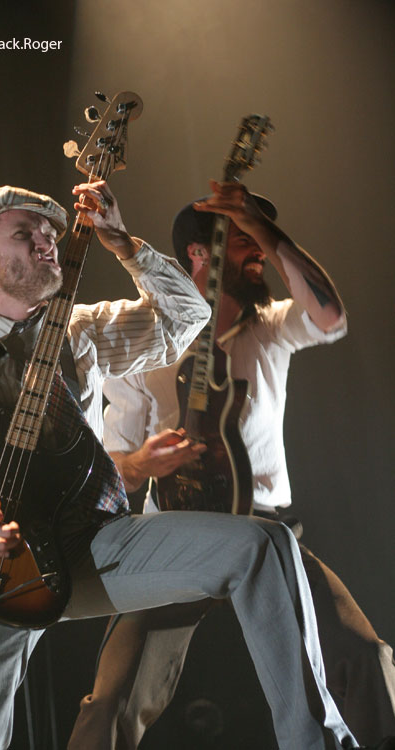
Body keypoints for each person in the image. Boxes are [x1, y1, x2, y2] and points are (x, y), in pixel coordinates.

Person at [0, 180, 373, 750]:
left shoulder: (80, 329)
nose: (47, 242)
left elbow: (187, 319)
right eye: (24, 234)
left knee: (264, 544)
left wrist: (126, 245)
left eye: (50, 233)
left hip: (98, 543)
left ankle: (319, 743)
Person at [67, 180, 395, 750]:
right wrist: (144, 461)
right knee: (111, 698)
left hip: (269, 528)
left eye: (258, 238)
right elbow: (115, 468)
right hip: (176, 535)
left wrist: (260, 224)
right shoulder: (143, 345)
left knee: (365, 657)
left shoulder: (271, 326)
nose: (259, 250)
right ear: (202, 253)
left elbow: (330, 316)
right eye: (244, 238)